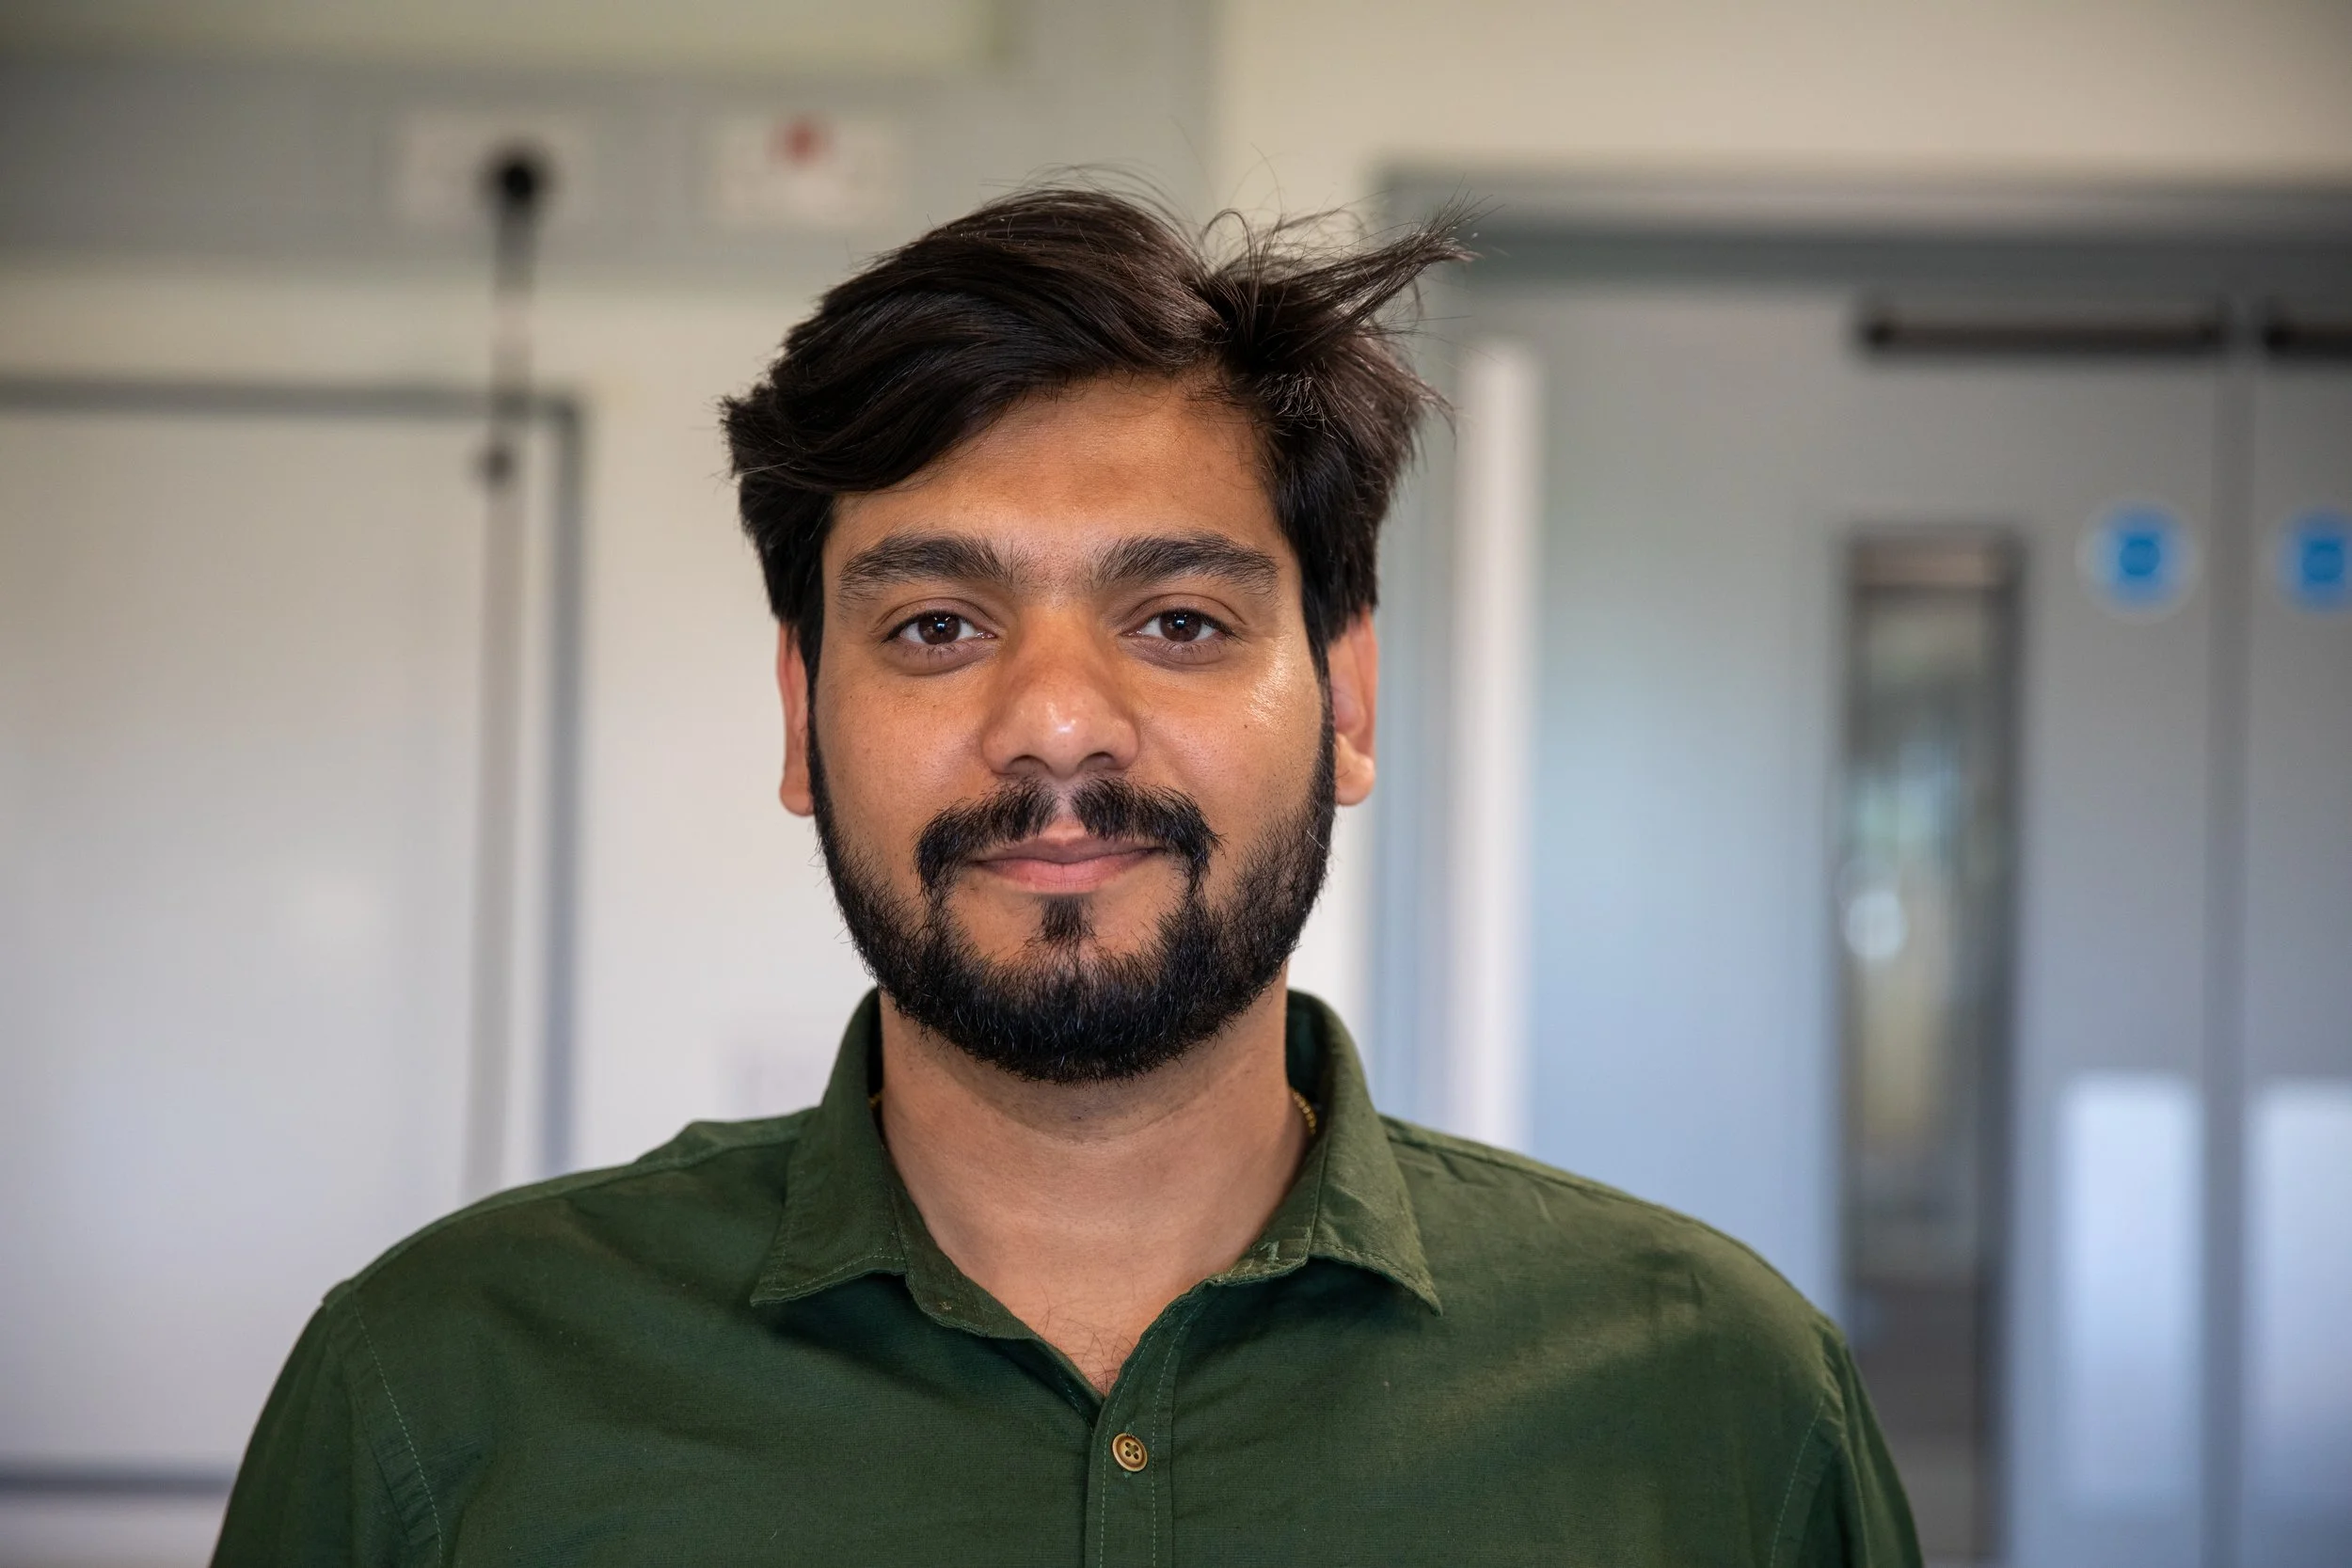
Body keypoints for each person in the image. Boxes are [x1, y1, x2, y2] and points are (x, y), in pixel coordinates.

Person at [215, 188, 1919, 1565]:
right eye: (937, 625)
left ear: (1349, 699)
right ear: (807, 717)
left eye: (1178, 621)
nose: (1052, 726)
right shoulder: (439, 1392)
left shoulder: (1722, 1407)